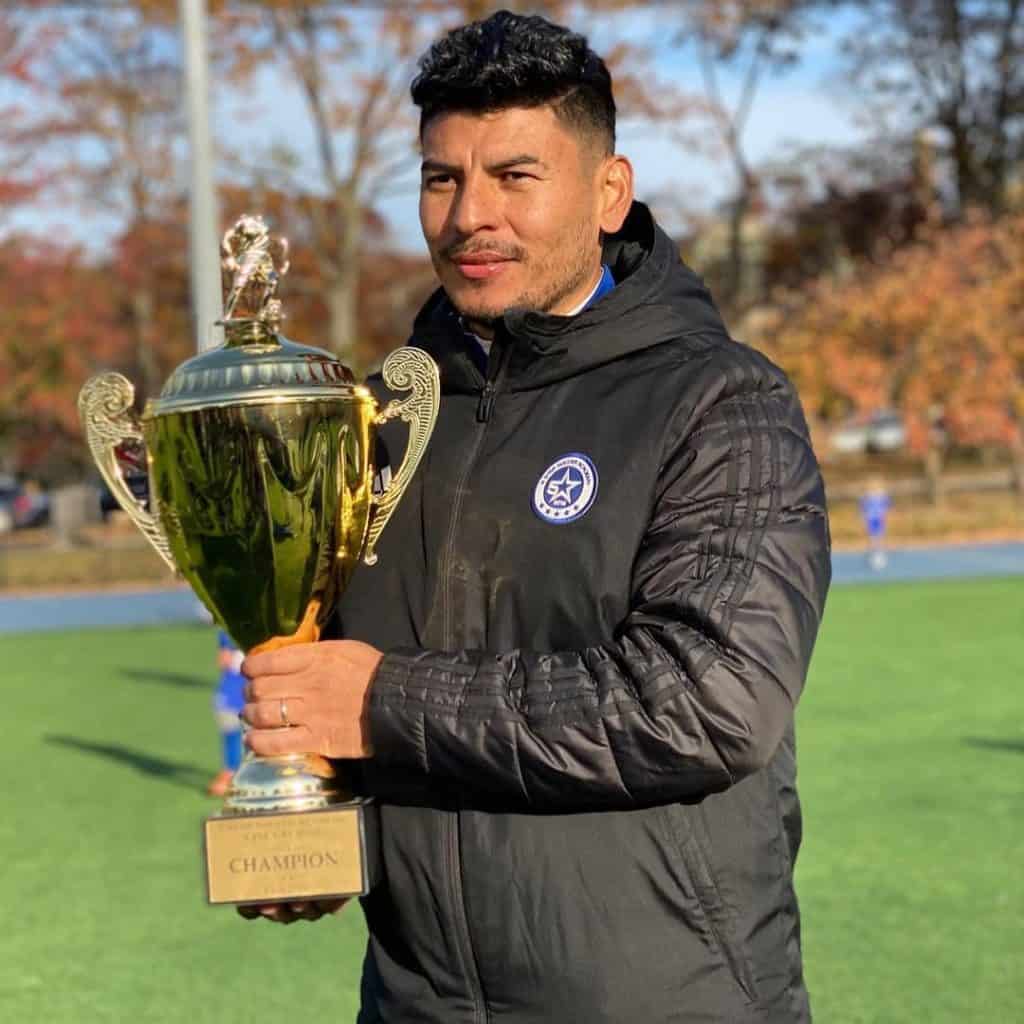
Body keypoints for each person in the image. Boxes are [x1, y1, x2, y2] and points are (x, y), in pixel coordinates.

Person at [240, 11, 831, 1023]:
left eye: (515, 175)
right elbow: (329, 676)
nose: (471, 214)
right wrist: (313, 806)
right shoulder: (377, 418)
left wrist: (381, 702)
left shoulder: (719, 400)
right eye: (441, 178)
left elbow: (706, 701)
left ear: (609, 192)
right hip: (417, 1006)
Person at [208, 630, 245, 797]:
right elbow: (223, 659)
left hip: (252, 693)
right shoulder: (227, 631)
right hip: (232, 694)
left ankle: (235, 775)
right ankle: (230, 773)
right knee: (231, 734)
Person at [860, 475, 891, 570]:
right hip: (871, 519)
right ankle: (873, 554)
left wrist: (886, 516)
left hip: (880, 518)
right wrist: (863, 519)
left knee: (880, 536)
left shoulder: (883, 495)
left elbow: (887, 507)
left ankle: (880, 554)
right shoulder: (867, 496)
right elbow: (863, 509)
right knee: (872, 537)